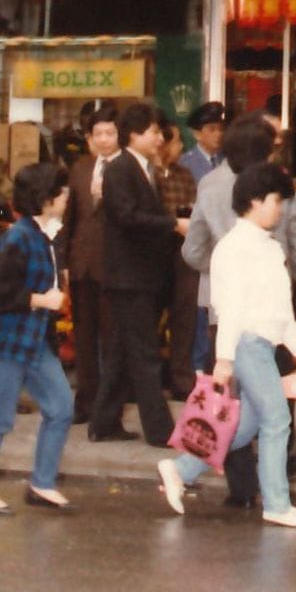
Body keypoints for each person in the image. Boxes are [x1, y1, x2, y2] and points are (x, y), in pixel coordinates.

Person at [159, 162, 296, 529]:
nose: (280, 209)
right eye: (277, 201)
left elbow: (280, 306)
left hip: (259, 343)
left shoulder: (264, 245)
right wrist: (225, 358)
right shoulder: (235, 248)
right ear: (256, 201)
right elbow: (228, 307)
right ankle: (277, 503)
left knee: (246, 425)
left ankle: (181, 470)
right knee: (277, 420)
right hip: (249, 344)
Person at [185, 112, 296, 509]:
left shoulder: (207, 185)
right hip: (271, 317)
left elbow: (191, 250)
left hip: (218, 314)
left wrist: (219, 271)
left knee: (233, 405)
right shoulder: (279, 188)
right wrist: (286, 273)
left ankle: (239, 487)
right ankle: (276, 488)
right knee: (275, 407)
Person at [0, 161, 75, 515]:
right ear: (45, 198)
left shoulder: (41, 234)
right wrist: (42, 300)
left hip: (33, 340)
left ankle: (42, 483)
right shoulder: (20, 237)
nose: (67, 196)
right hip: (7, 341)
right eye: (61, 191)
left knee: (60, 407)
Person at [89, 101, 187, 446]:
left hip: (141, 275)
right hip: (128, 276)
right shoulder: (120, 169)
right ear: (135, 134)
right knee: (145, 353)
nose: (159, 137)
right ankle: (160, 430)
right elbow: (127, 217)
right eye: (153, 131)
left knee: (121, 352)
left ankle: (103, 422)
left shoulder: (144, 167)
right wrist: (173, 224)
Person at [62, 104, 118, 424]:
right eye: (99, 134)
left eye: (110, 133)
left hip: (112, 266)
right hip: (81, 263)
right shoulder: (80, 168)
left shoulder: (127, 167)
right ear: (90, 138)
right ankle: (85, 403)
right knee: (83, 339)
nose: (105, 140)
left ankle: (108, 408)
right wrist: (65, 261)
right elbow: (70, 217)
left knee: (111, 340)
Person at [178, 102, 229, 380]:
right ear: (197, 134)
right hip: (200, 244)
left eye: (220, 129)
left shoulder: (227, 162)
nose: (217, 134)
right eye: (211, 129)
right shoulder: (187, 164)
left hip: (223, 246)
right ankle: (198, 365)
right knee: (199, 310)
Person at [155, 114, 200, 397]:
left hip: (182, 251)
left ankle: (181, 379)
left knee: (184, 318)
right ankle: (150, 379)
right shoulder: (148, 173)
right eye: (176, 141)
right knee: (150, 319)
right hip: (154, 251)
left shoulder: (184, 174)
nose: (180, 147)